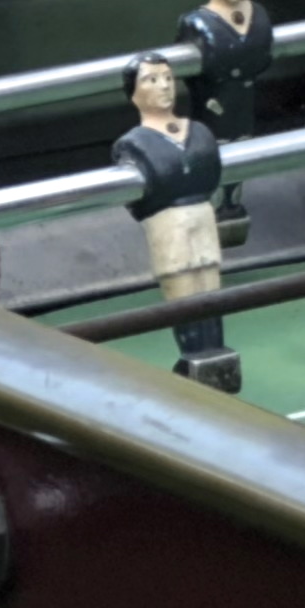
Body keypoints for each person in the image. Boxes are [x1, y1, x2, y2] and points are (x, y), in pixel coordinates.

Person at [110, 51, 235, 392]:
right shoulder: (133, 144)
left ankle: (217, 358)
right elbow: (135, 198)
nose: (164, 86)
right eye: (151, 80)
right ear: (133, 93)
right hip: (167, 223)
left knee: (211, 287)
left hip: (201, 215)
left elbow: (209, 175)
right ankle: (194, 359)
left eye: (167, 77)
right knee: (182, 290)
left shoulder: (200, 133)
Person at [171, 0, 273, 237]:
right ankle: (210, 214)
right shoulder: (195, 23)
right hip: (213, 109)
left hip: (243, 106)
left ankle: (231, 209)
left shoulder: (260, 15)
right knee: (212, 163)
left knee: (242, 156)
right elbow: (188, 73)